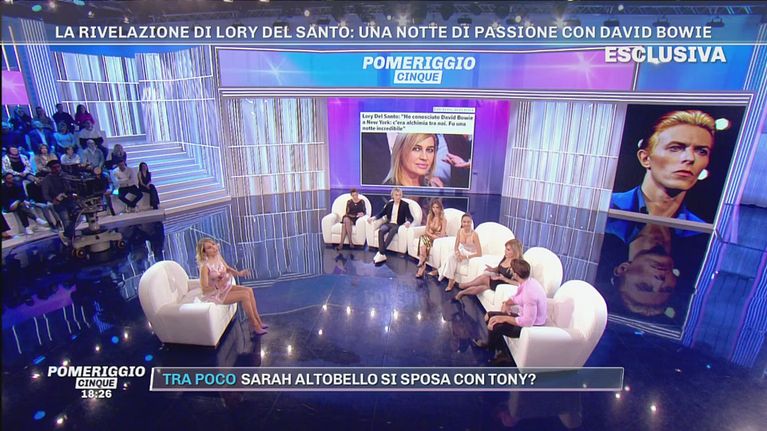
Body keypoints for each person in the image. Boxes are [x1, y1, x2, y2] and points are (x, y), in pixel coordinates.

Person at [611, 110, 715, 222]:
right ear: (645, 158)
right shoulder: (605, 205)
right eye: (675, 148)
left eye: (702, 151)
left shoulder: (698, 229)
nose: (690, 158)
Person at [472, 259, 548, 363]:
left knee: (496, 324)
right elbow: (517, 297)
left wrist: (504, 318)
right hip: (524, 317)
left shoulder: (529, 293)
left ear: (515, 274)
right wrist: (507, 303)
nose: (510, 270)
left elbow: (527, 322)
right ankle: (493, 346)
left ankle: (502, 354)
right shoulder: (527, 282)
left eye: (511, 269)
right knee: (489, 316)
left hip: (532, 326)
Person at [196, 237, 268, 335]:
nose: (214, 247)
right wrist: (219, 285)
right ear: (204, 252)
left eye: (213, 244)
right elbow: (204, 289)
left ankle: (258, 321)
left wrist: (239, 273)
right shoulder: (204, 267)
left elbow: (228, 268)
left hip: (224, 288)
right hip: (214, 294)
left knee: (249, 290)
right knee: (244, 295)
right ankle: (254, 325)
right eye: (209, 247)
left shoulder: (218, 257)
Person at [611, 223, 679, 317]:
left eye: (644, 286)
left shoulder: (605, 221)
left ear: (623, 269)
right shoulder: (696, 230)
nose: (659, 281)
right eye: (667, 289)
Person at [455, 239, 523, 301]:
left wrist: (505, 279)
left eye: (508, 250)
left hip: (502, 284)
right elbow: (500, 268)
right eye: (505, 249)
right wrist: (492, 269)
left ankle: (464, 285)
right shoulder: (506, 257)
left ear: (515, 252)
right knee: (481, 287)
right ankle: (461, 293)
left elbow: (520, 283)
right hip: (497, 279)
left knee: (485, 277)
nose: (505, 251)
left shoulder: (517, 265)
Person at [368, 187, 414, 263]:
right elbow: (381, 213)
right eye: (396, 195)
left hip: (398, 225)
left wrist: (408, 222)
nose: (398, 197)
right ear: (393, 196)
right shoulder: (389, 204)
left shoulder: (405, 205)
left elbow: (410, 217)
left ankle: (381, 252)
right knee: (381, 231)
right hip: (389, 223)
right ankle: (381, 253)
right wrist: (374, 218)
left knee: (392, 231)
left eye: (400, 195)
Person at [439, 213, 482, 292]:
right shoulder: (459, 231)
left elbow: (479, 253)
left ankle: (442, 273)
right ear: (461, 223)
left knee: (453, 258)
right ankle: (451, 280)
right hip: (463, 251)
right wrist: (457, 253)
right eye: (464, 222)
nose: (466, 224)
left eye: (468, 222)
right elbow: (456, 246)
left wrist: (465, 257)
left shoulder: (474, 234)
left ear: (471, 222)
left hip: (472, 255)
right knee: (451, 257)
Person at [41, 159, 78, 240]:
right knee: (65, 219)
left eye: (58, 167)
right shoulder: (46, 180)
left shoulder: (66, 175)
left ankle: (68, 233)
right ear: (50, 169)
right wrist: (53, 200)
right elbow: (45, 194)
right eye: (54, 168)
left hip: (70, 199)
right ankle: (70, 237)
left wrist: (74, 194)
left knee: (78, 215)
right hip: (59, 202)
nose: (57, 169)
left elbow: (74, 186)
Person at [415, 198, 447, 278]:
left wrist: (435, 236)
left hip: (438, 239)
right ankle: (422, 266)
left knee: (423, 246)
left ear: (440, 208)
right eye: (433, 207)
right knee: (423, 246)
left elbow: (442, 234)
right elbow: (426, 231)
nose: (435, 210)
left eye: (437, 207)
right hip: (430, 237)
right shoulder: (430, 216)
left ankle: (421, 266)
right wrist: (432, 236)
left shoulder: (443, 220)